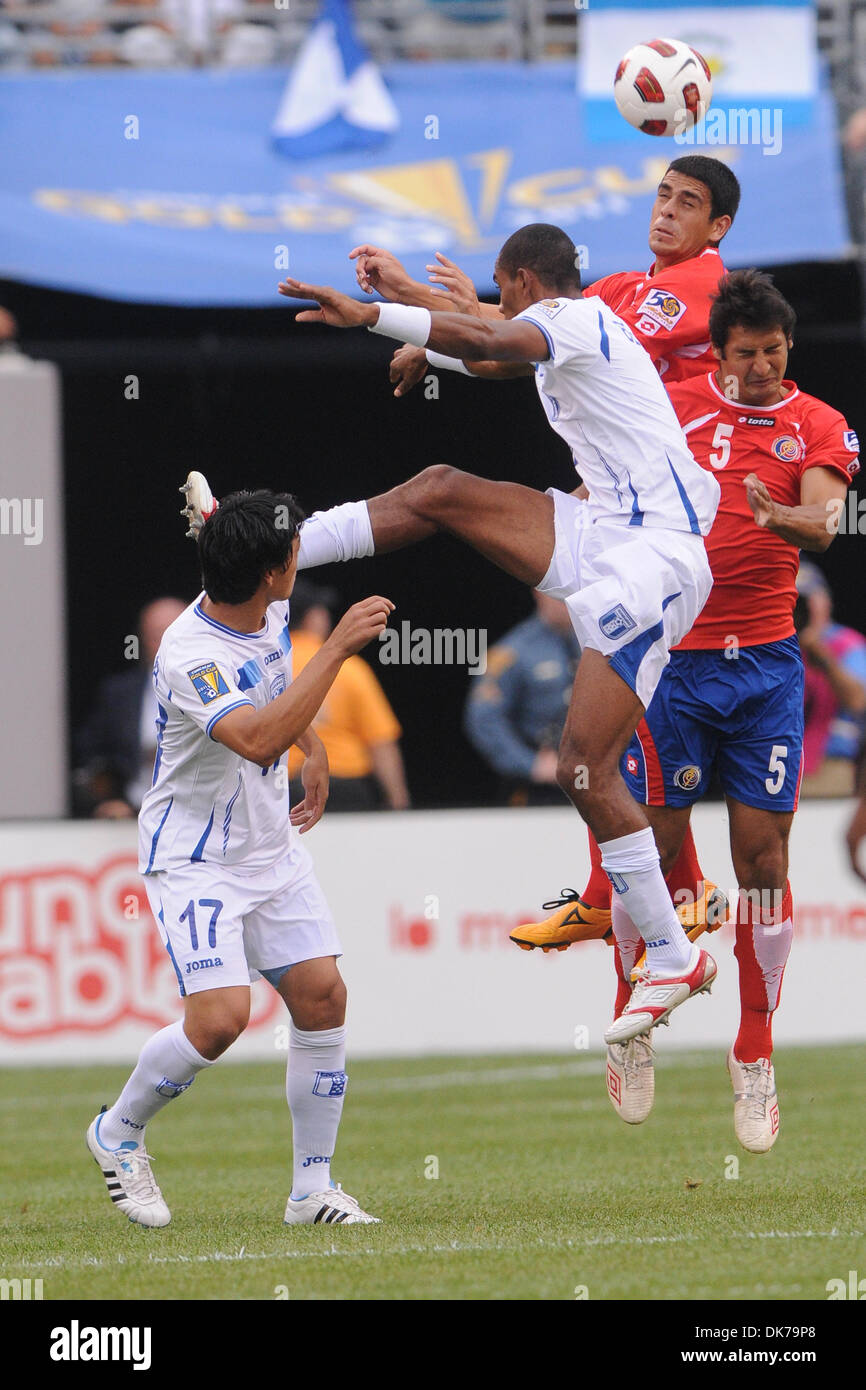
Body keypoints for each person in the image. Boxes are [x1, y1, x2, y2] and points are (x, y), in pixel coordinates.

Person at [270, 221, 724, 1049]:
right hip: (607, 531)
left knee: (583, 766)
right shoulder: (563, 331)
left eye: (496, 288)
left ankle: (672, 953)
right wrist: (411, 307)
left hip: (656, 557)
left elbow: (489, 335)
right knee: (443, 487)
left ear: (520, 280)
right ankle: (288, 548)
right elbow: (486, 348)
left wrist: (375, 312)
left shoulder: (577, 320)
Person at [349, 155, 741, 951]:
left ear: (717, 227)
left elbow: (513, 334)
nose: (665, 210)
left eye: (687, 201)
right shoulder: (618, 290)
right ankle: (636, 892)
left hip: (671, 518)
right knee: (614, 714)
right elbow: (518, 335)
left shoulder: (697, 285)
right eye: (661, 193)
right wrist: (439, 312)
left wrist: (423, 312)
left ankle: (667, 895)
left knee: (629, 712)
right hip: (624, 519)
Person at [86, 489, 393, 1228]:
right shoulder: (191, 654)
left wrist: (314, 748)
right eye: (290, 552)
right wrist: (341, 647)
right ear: (267, 572)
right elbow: (255, 737)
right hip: (196, 859)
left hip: (269, 846)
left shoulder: (265, 605)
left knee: (322, 997)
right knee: (221, 1021)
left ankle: (311, 1190)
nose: (300, 557)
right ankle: (117, 1130)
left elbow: (277, 693)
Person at [605, 270, 858, 1147]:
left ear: (789, 350)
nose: (759, 368)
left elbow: (826, 520)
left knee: (763, 862)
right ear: (719, 352)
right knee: (657, 847)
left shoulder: (815, 422)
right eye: (745, 354)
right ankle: (630, 1017)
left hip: (766, 671)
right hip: (673, 663)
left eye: (773, 353)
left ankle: (754, 1051)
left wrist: (779, 519)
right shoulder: (670, 403)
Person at [287, 578, 410, 810]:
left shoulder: (267, 668)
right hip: (347, 790)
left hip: (287, 790)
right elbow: (381, 742)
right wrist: (398, 800)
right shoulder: (349, 668)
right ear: (313, 618)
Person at [73, 597, 187, 818]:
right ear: (142, 639)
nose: (165, 645)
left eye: (174, 634)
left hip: (199, 814)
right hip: (133, 813)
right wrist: (109, 799)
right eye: (156, 636)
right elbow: (90, 756)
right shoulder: (119, 694)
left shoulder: (216, 687)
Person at [463, 590, 578, 807]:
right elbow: (484, 719)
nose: (568, 601)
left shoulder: (603, 642)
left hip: (598, 778)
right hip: (541, 789)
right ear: (539, 592)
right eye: (560, 594)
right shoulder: (511, 651)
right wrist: (530, 764)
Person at [796, 560, 866, 797]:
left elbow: (858, 701)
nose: (802, 609)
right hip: (779, 763)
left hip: (830, 765)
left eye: (808, 600)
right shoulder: (775, 647)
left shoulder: (847, 643)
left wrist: (824, 658)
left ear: (826, 601)